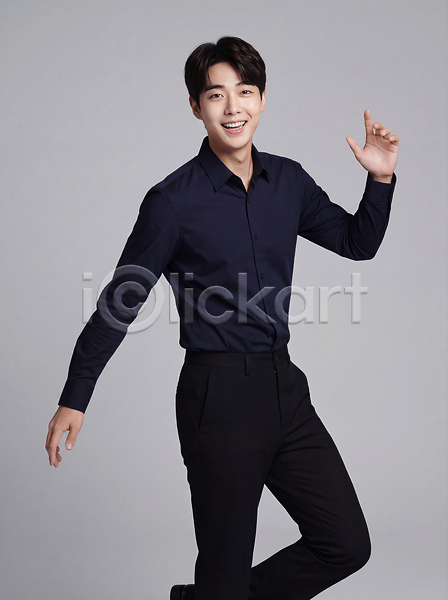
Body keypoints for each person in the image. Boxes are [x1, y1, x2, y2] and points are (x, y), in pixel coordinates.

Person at [45, 36, 399, 600]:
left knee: (345, 543)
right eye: (216, 95)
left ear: (262, 99)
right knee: (225, 568)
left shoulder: (289, 181)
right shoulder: (172, 201)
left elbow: (358, 243)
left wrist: (379, 180)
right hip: (217, 398)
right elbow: (120, 301)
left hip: (285, 389)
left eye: (245, 92)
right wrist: (75, 395)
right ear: (196, 106)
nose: (233, 107)